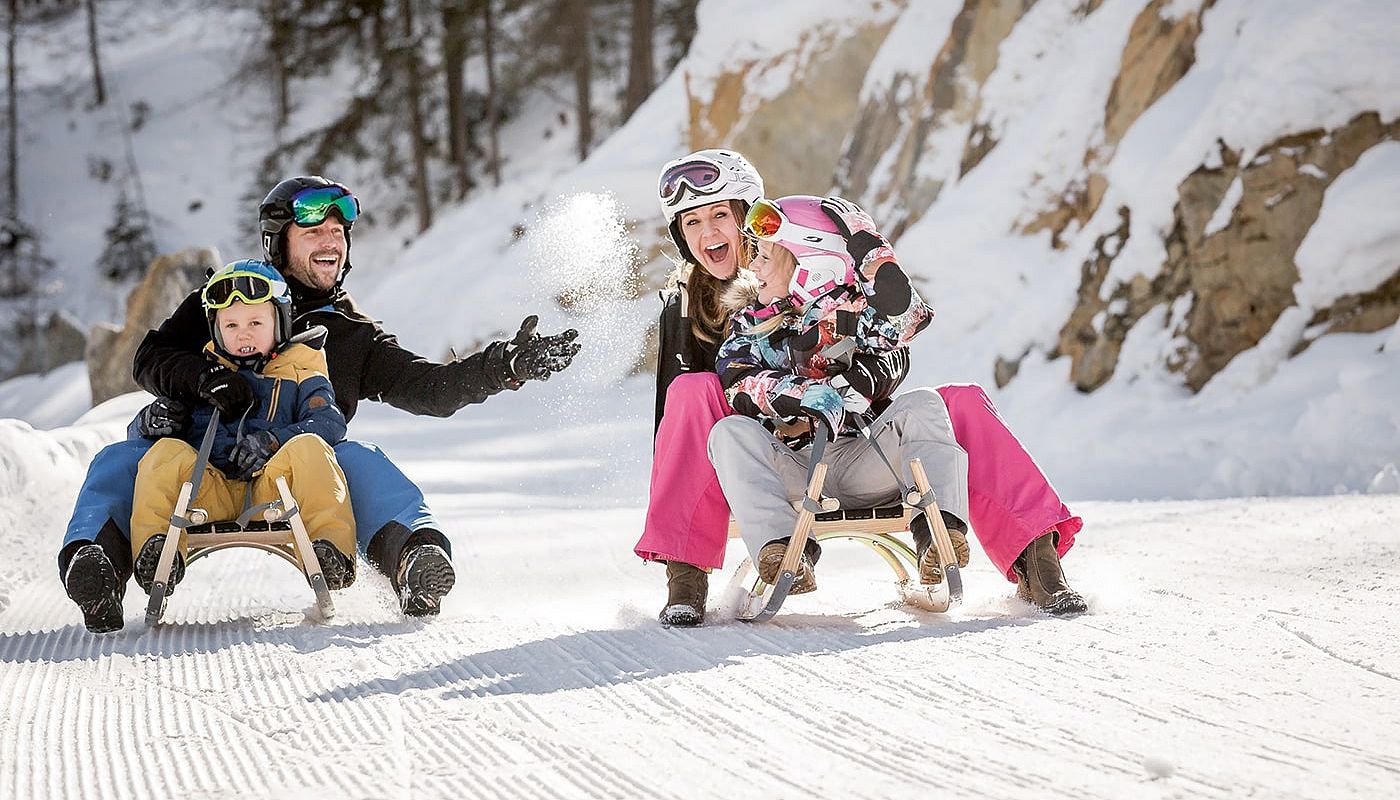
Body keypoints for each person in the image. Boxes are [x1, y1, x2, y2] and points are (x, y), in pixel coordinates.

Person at [59, 176, 581, 632]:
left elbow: (430, 389)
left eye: (338, 232)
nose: (331, 240)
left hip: (295, 466)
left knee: (360, 462)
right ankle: (96, 566)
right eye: (313, 231)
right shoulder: (226, 300)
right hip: (198, 463)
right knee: (121, 460)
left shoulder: (350, 335)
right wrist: (205, 377)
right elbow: (151, 357)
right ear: (278, 243)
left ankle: (412, 558)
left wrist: (501, 368)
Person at [635, 149, 1085, 624]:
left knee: (959, 402)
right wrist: (792, 398)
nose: (708, 234)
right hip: (757, 465)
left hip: (859, 442)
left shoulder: (830, 282)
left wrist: (858, 358)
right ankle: (686, 579)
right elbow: (681, 423)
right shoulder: (691, 308)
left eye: (721, 215)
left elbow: (900, 331)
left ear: (754, 217)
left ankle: (1038, 566)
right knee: (693, 390)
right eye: (692, 224)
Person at [128, 259, 357, 606]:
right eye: (231, 325)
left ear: (279, 322)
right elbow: (138, 437)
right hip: (206, 490)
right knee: (163, 455)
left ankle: (331, 552)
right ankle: (158, 551)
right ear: (215, 330)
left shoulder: (301, 366)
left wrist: (275, 440)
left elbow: (328, 420)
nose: (243, 333)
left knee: (311, 447)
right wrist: (152, 420)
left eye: (255, 322)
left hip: (274, 489)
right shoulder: (203, 373)